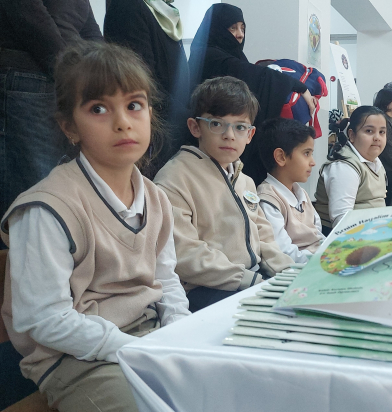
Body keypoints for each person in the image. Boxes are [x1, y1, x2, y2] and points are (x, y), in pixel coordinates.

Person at [0, 42, 190, 412]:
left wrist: (180, 336)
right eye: (98, 109)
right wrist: (134, 349)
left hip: (147, 337)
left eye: (134, 105)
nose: (123, 122)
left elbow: (166, 279)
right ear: (69, 127)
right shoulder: (47, 207)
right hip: (75, 361)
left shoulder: (156, 198)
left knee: (219, 389)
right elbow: (44, 319)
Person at [154, 76, 293, 312]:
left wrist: (287, 273)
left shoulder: (245, 180)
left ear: (250, 135)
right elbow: (184, 254)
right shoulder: (175, 178)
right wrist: (251, 281)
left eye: (240, 127)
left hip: (251, 279)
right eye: (217, 124)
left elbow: (264, 237)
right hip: (206, 289)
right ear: (195, 127)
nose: (229, 135)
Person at [0, 0, 103, 220]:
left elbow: (90, 30)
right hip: (29, 78)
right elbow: (29, 16)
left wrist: (107, 73)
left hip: (65, 84)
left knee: (63, 187)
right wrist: (74, 75)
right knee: (36, 195)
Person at [188, 4, 316, 141]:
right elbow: (255, 75)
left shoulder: (232, 56)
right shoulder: (208, 55)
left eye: (242, 28)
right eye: (233, 28)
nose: (240, 34)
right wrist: (299, 86)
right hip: (209, 141)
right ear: (216, 28)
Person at [104, 0, 191, 176]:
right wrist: (185, 117)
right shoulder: (129, 7)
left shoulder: (165, 12)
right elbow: (140, 82)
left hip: (174, 124)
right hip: (156, 128)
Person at [256, 118, 325, 264]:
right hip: (297, 269)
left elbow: (318, 236)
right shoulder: (268, 200)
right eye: (306, 153)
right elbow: (284, 253)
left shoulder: (302, 194)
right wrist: (323, 258)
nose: (313, 162)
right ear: (281, 157)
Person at [314, 106, 388, 234]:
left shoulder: (376, 162)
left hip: (373, 231)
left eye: (382, 132)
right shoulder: (344, 167)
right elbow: (342, 222)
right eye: (369, 131)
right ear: (352, 135)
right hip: (347, 237)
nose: (377, 137)